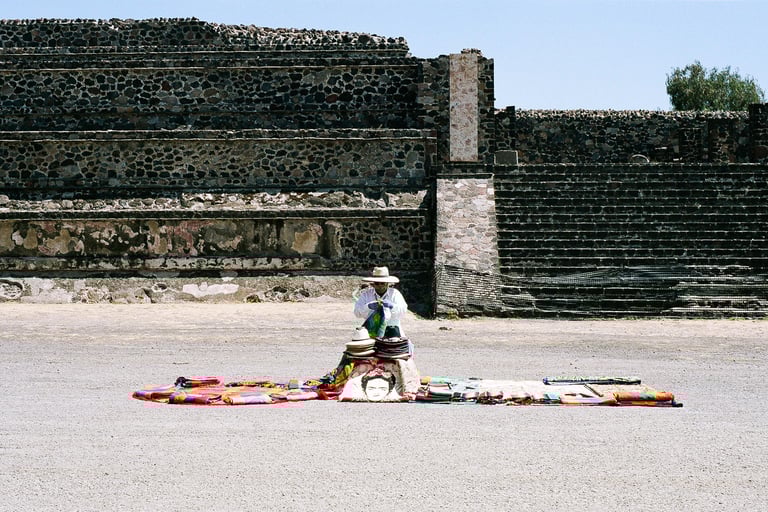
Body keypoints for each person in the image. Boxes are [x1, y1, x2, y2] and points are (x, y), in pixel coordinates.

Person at [353, 266, 408, 338]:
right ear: (373, 284)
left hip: (392, 330)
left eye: (383, 283)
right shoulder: (366, 294)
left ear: (387, 283)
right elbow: (357, 312)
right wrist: (368, 306)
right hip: (371, 331)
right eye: (377, 283)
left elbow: (403, 310)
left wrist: (392, 306)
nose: (380, 286)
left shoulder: (395, 293)